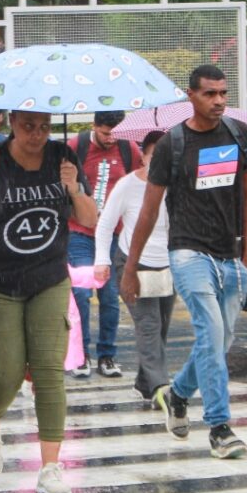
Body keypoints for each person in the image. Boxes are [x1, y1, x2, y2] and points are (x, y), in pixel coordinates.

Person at [0, 110, 97, 493]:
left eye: (44, 127)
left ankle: (50, 468)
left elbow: (90, 219)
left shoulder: (63, 157)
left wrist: (74, 189)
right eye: (29, 127)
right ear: (13, 123)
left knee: (49, 371)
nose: (37, 135)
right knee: (7, 374)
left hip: (49, 277)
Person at [122, 64, 247, 460]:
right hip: (188, 253)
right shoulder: (172, 146)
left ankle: (177, 394)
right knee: (212, 333)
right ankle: (219, 427)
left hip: (230, 256)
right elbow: (148, 210)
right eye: (209, 94)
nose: (218, 101)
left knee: (222, 340)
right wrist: (131, 267)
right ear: (190, 96)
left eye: (223, 94)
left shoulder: (238, 134)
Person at [94, 131, 174, 407]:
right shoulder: (127, 186)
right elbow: (105, 224)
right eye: (155, 155)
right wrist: (101, 260)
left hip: (167, 264)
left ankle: (144, 382)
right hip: (132, 264)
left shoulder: (177, 184)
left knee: (161, 326)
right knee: (148, 324)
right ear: (143, 155)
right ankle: (162, 388)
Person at [66, 110, 142, 379]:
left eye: (115, 132)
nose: (110, 138)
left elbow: (138, 183)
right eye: (105, 132)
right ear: (94, 126)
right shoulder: (77, 146)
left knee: (110, 296)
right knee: (81, 295)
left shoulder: (128, 148)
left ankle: (107, 355)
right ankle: (81, 354)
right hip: (79, 231)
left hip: (113, 234)